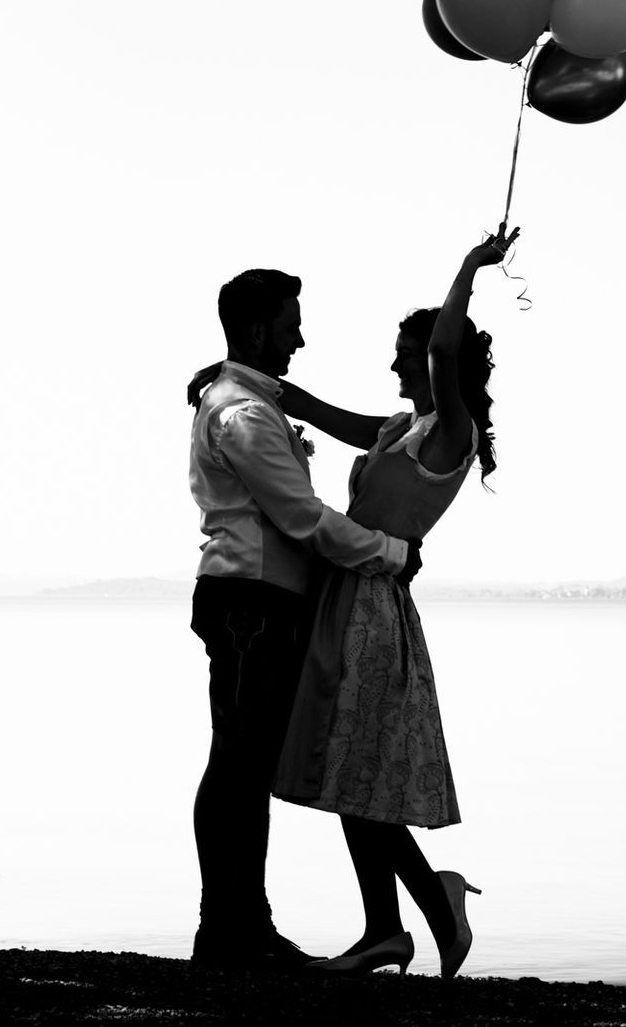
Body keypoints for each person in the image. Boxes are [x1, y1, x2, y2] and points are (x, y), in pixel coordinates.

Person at [269, 227, 517, 979]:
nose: (395, 362)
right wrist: (253, 379)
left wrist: (470, 267)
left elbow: (445, 350)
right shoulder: (398, 428)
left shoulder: (453, 432)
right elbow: (328, 412)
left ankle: (406, 922)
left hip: (374, 614)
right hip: (342, 601)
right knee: (352, 780)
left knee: (360, 780)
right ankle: (398, 924)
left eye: (403, 353)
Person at [184, 268, 420, 975]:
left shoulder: (247, 401)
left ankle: (235, 925)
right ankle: (231, 930)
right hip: (249, 608)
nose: (300, 338)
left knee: (239, 767)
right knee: (238, 766)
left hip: (255, 604)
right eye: (290, 325)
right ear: (257, 329)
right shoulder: (245, 416)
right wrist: (388, 551)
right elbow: (302, 517)